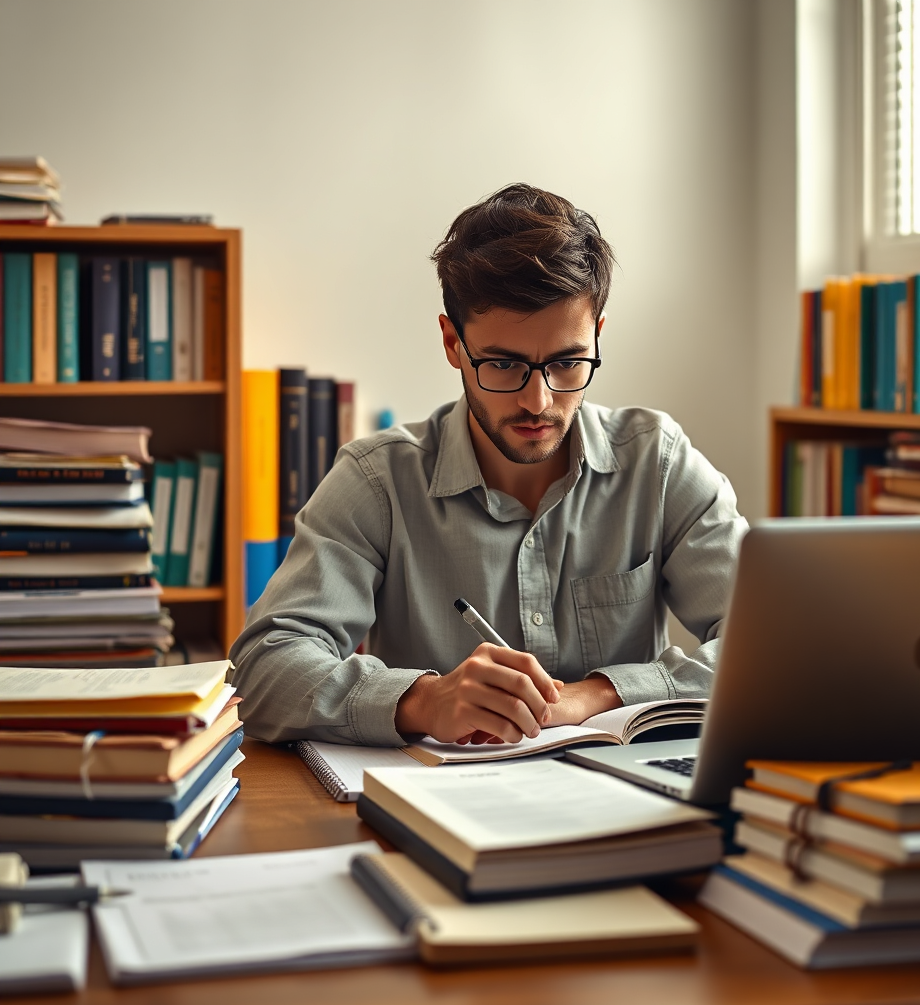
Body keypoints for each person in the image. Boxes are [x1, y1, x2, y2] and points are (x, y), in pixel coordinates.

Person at [229, 184, 748, 747]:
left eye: (568, 363)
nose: (538, 401)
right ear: (454, 344)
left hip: (630, 804)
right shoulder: (377, 481)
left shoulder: (658, 462)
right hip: (438, 813)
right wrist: (423, 701)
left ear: (597, 335)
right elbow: (263, 666)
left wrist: (600, 693)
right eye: (503, 364)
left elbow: (780, 641)